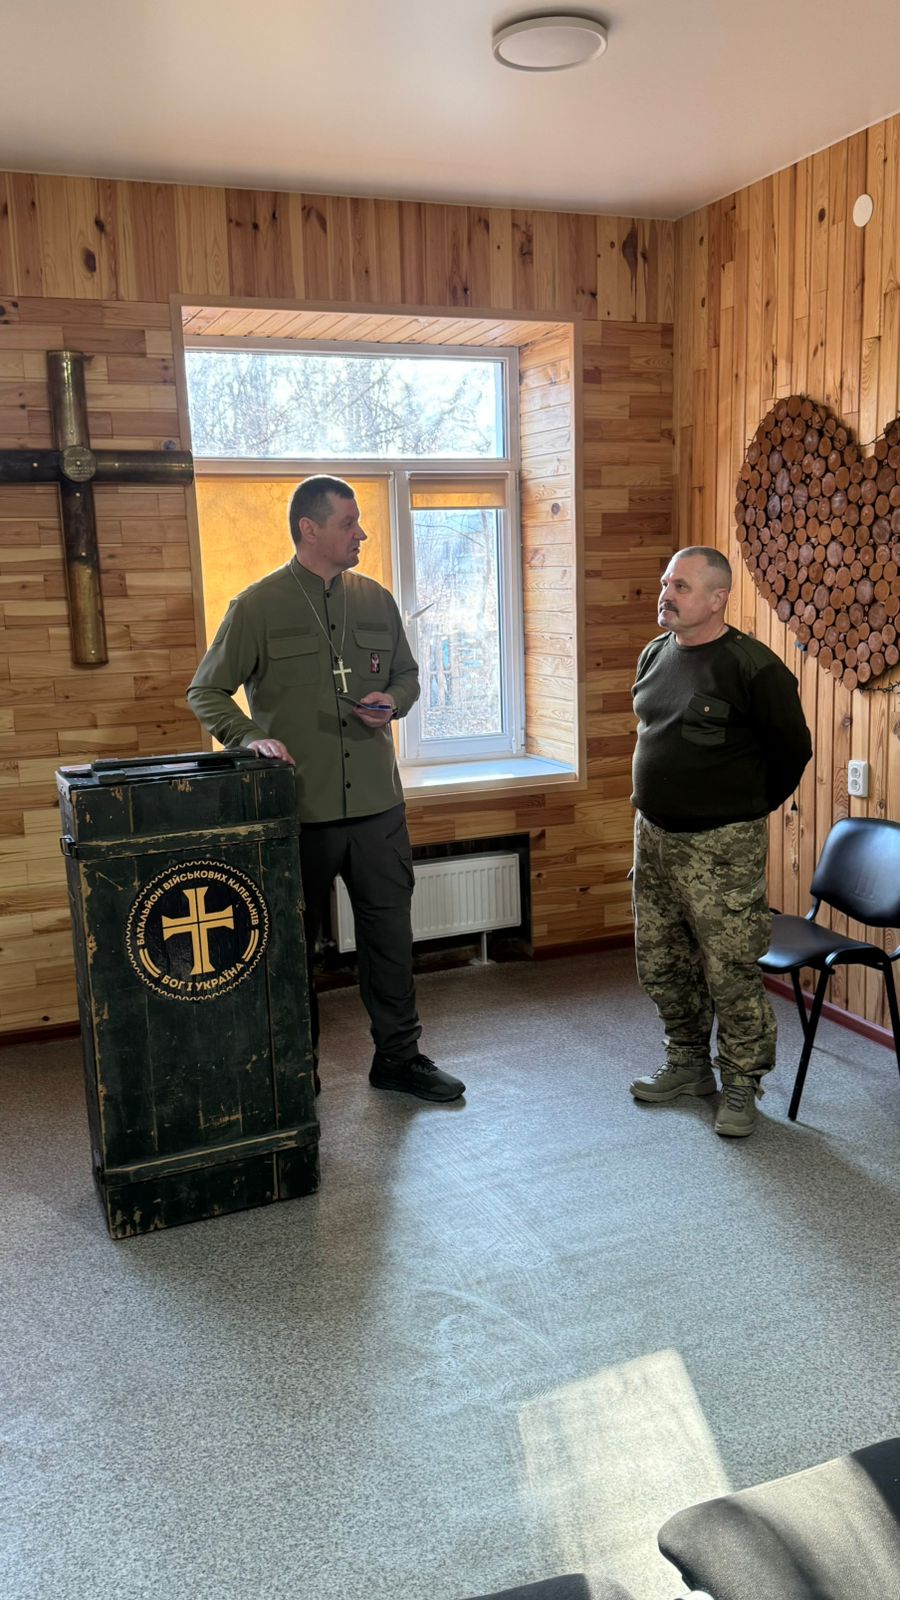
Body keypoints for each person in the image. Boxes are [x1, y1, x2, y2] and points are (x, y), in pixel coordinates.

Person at [186, 475, 465, 1104]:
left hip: (377, 809)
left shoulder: (376, 599)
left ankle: (399, 1058)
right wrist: (249, 737)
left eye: (360, 522)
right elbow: (206, 691)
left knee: (389, 941)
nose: (361, 533)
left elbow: (408, 675)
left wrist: (391, 701)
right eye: (348, 523)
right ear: (309, 529)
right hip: (299, 810)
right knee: (292, 949)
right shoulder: (257, 606)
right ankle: (296, 1069)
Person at [628, 546, 812, 1137]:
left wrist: (743, 808)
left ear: (717, 598)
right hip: (653, 839)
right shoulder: (656, 653)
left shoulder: (752, 668)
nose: (666, 595)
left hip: (721, 848)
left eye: (680, 586)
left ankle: (740, 1084)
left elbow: (792, 752)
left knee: (730, 972)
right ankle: (687, 1065)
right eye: (666, 583)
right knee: (663, 962)